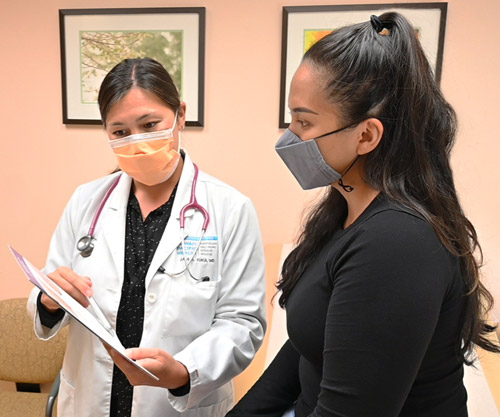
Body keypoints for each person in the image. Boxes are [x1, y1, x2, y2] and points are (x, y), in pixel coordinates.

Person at [226, 12, 499, 417]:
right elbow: (307, 347)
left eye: (304, 121)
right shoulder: (343, 211)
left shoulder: (397, 243)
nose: (289, 137)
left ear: (366, 135)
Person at [27, 57, 266, 417]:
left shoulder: (230, 208)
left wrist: (183, 371)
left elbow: (243, 323)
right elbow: (53, 285)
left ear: (180, 115)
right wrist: (49, 300)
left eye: (150, 125)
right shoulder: (86, 201)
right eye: (120, 132)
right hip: (93, 400)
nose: (137, 142)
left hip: (177, 401)